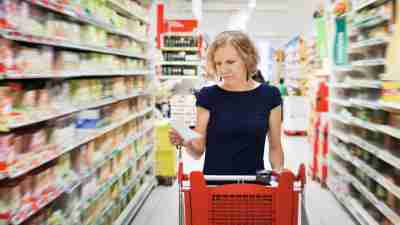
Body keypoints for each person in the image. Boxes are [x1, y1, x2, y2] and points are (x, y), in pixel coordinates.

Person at [169, 31, 284, 175]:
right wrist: (186, 142)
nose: (223, 69)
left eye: (230, 62)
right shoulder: (208, 96)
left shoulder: (270, 96)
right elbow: (197, 152)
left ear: (247, 60)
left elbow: (275, 147)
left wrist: (279, 176)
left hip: (254, 190)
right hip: (213, 189)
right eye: (218, 63)